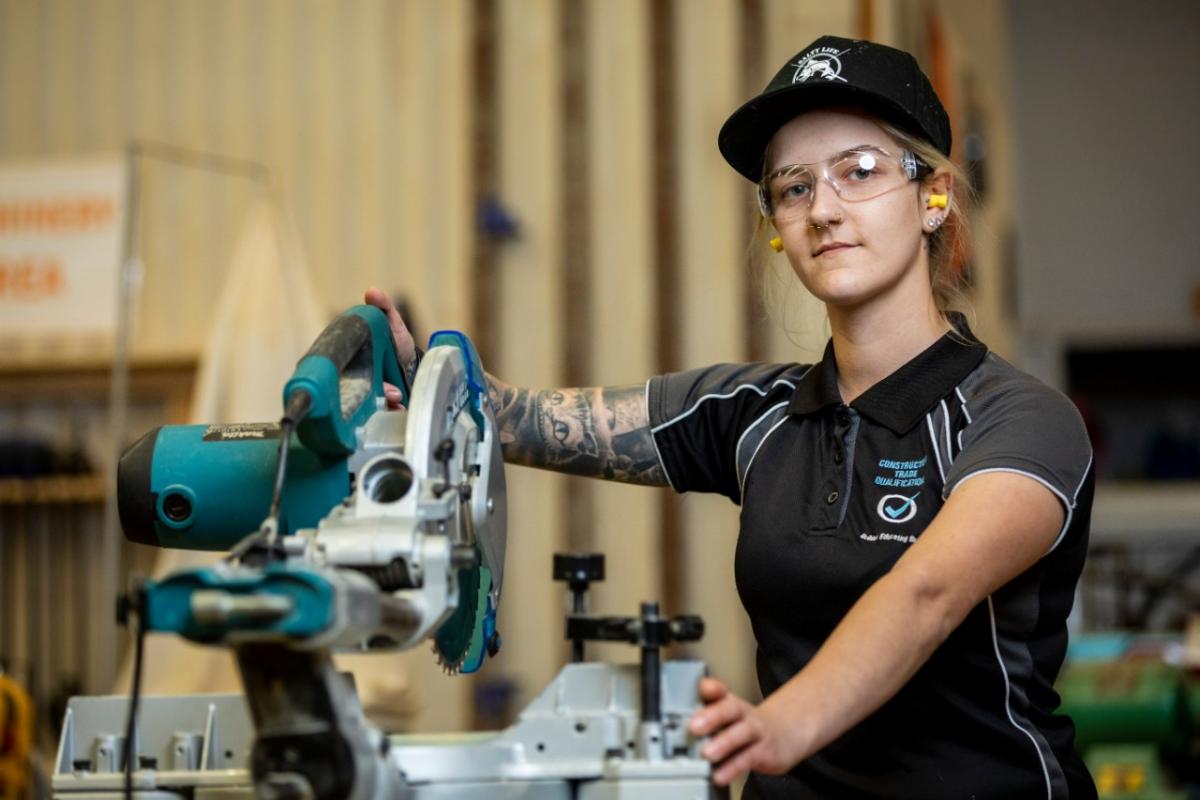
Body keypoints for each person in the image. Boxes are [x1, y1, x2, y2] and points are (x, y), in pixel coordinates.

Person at [367, 34, 1096, 800]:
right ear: (777, 226)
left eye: (860, 171)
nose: (825, 209)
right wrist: (438, 389)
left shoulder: (1021, 418)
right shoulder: (754, 414)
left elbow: (927, 594)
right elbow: (518, 421)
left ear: (934, 196)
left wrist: (779, 726)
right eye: (793, 188)